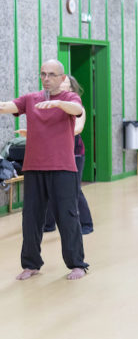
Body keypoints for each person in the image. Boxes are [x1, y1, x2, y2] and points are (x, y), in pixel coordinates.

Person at [0, 59, 89, 280]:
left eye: (51, 74)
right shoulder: (31, 99)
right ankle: (31, 264)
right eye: (43, 74)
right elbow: (6, 106)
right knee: (31, 218)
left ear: (61, 78)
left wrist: (58, 104)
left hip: (63, 168)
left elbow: (77, 110)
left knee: (67, 217)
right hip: (34, 168)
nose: (46, 78)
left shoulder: (69, 98)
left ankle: (77, 264)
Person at [40, 75, 94, 235]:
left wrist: (57, 133)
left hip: (74, 153)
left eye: (65, 83)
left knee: (74, 190)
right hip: (53, 153)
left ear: (71, 89)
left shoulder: (78, 108)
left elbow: (78, 128)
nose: (61, 85)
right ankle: (48, 224)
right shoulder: (52, 106)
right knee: (49, 188)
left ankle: (86, 224)